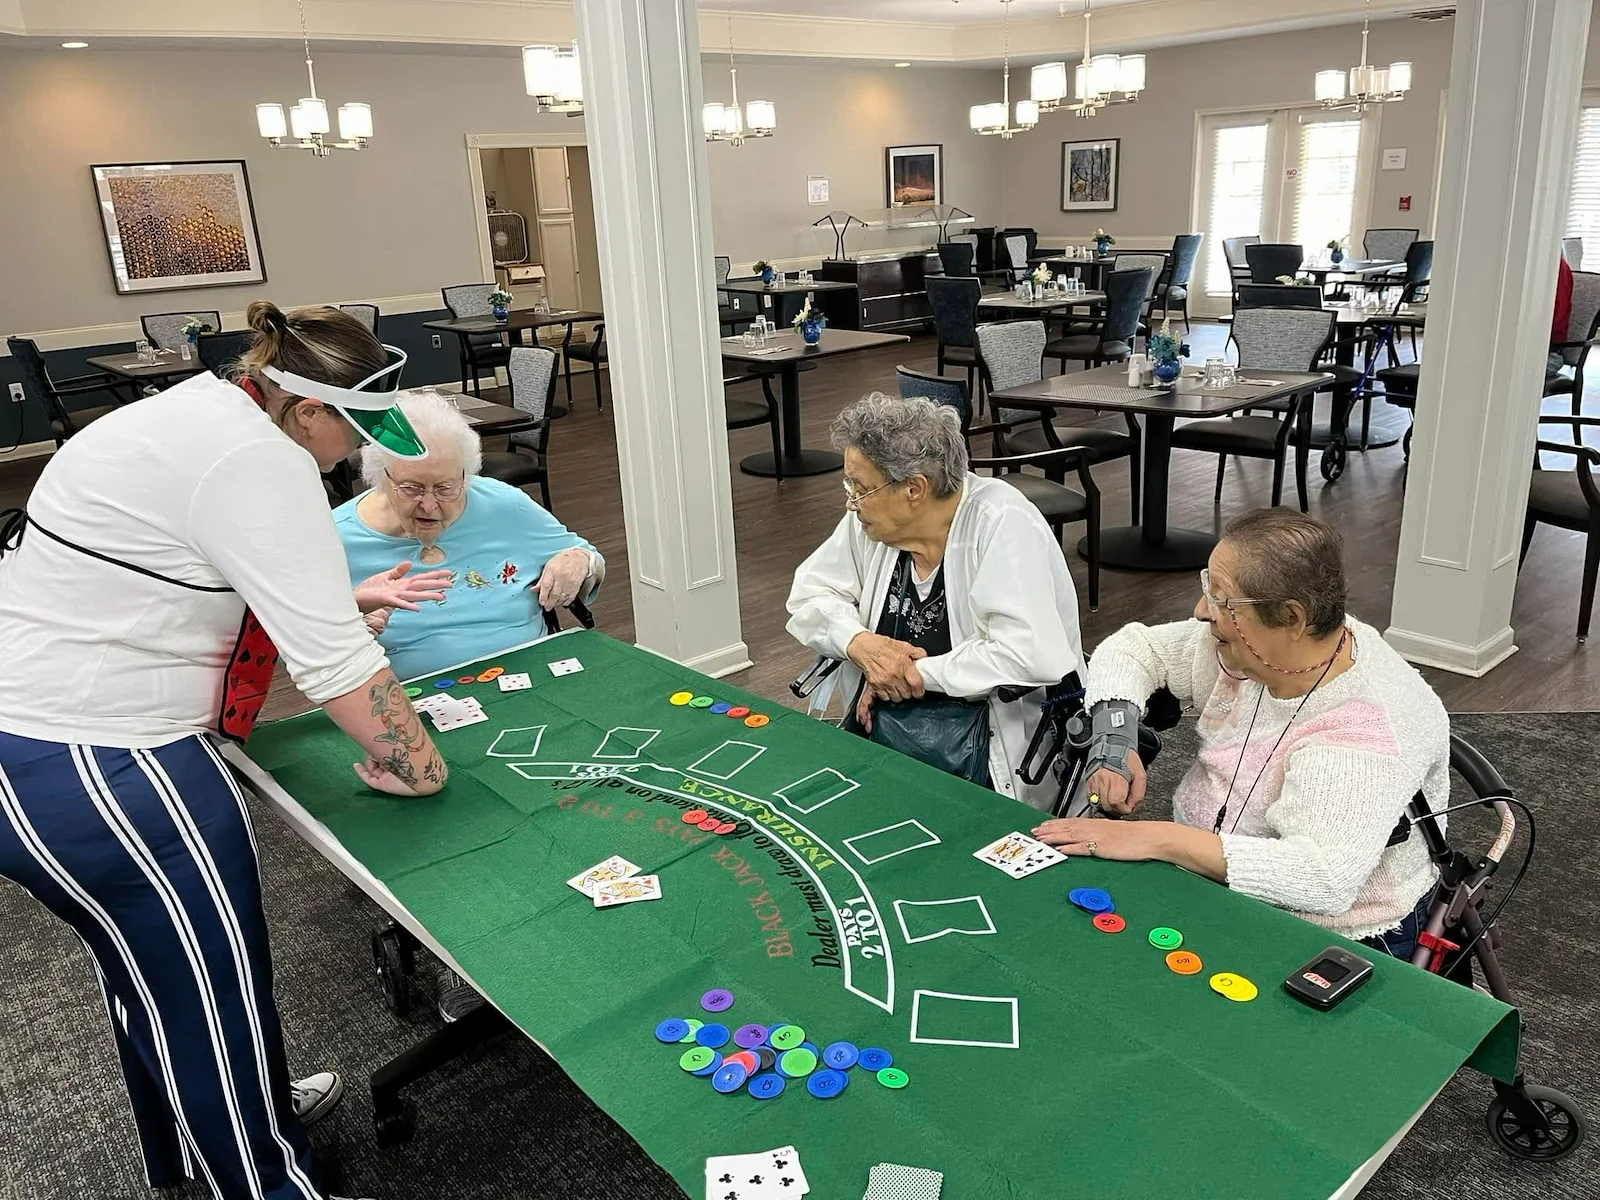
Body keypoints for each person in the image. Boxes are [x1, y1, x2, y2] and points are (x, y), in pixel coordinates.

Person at [0, 302, 448, 1200]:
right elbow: (339, 672)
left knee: (157, 978)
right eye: (354, 432)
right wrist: (422, 768)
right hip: (109, 765)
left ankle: (214, 1134)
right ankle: (269, 1177)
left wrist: (327, 594)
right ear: (309, 409)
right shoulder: (263, 459)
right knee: (213, 1002)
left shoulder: (191, 408)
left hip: (34, 747)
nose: (354, 457)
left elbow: (163, 570)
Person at [1031, 509, 1449, 960]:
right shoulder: (1251, 646)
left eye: (1221, 599)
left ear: (1292, 617)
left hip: (1329, 934)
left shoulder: (1367, 730)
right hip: (1202, 878)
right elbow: (1137, 648)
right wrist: (1116, 737)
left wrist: (1158, 839)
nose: (1200, 611)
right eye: (1206, 585)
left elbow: (1322, 879)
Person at [786, 393, 1083, 807]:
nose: (849, 500)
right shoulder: (872, 523)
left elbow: (1030, 654)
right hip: (887, 739)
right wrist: (861, 644)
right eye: (849, 484)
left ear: (914, 488)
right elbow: (808, 595)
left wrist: (911, 675)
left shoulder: (1002, 522)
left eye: (861, 487)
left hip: (992, 766)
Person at [333, 390, 604, 682]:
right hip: (411, 699)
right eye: (412, 488)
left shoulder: (504, 505)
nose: (429, 504)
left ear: (466, 476)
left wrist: (579, 560)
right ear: (381, 477)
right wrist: (348, 635)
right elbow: (301, 646)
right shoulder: (334, 538)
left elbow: (589, 558)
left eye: (446, 488)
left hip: (533, 677)